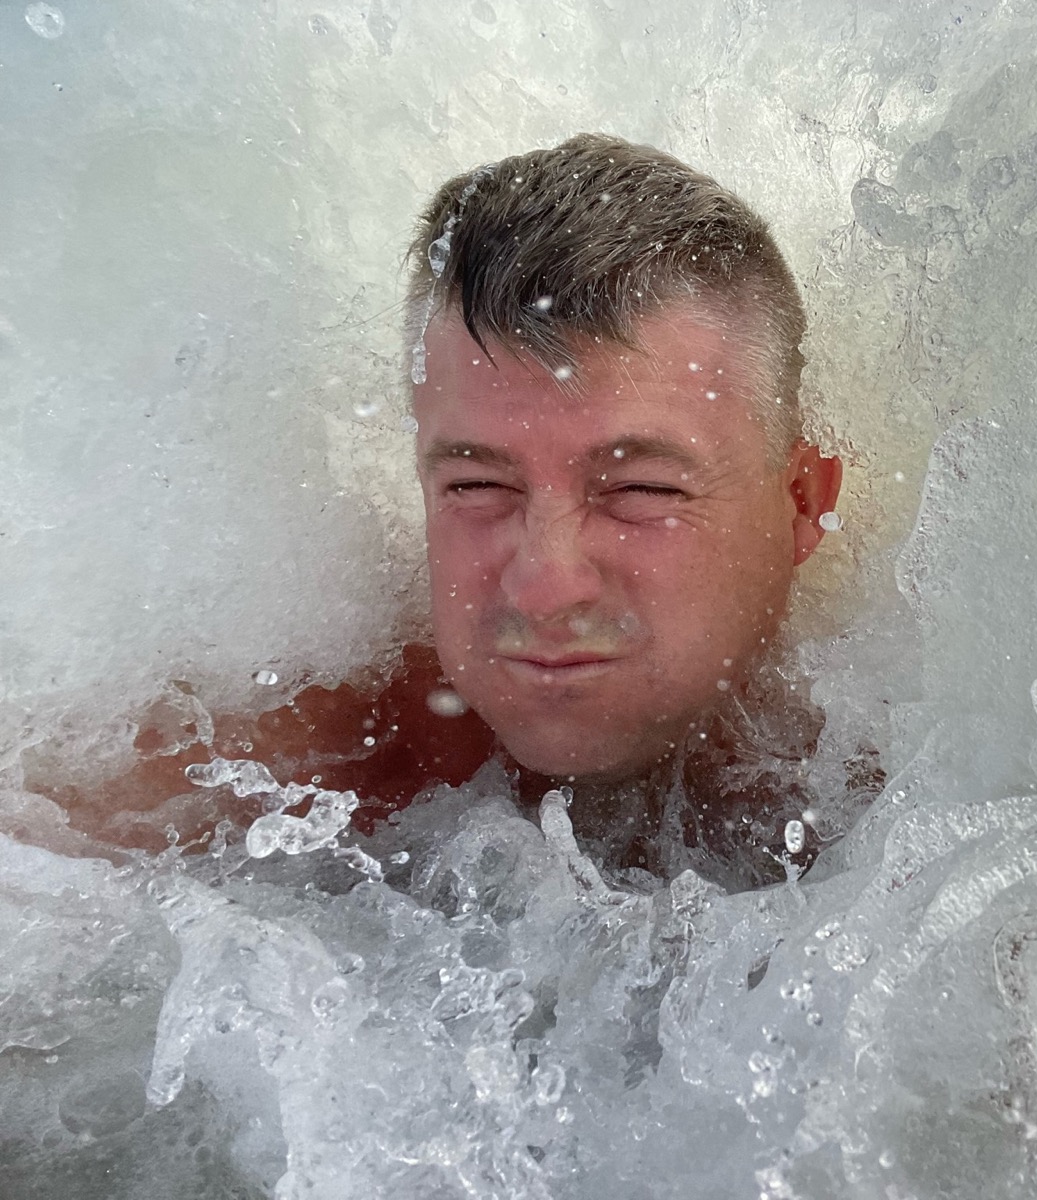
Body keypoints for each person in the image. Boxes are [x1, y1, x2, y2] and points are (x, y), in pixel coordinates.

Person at [27, 134, 857, 888]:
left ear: (800, 503)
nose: (544, 586)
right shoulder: (313, 767)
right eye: (477, 487)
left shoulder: (914, 803)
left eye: (640, 491)